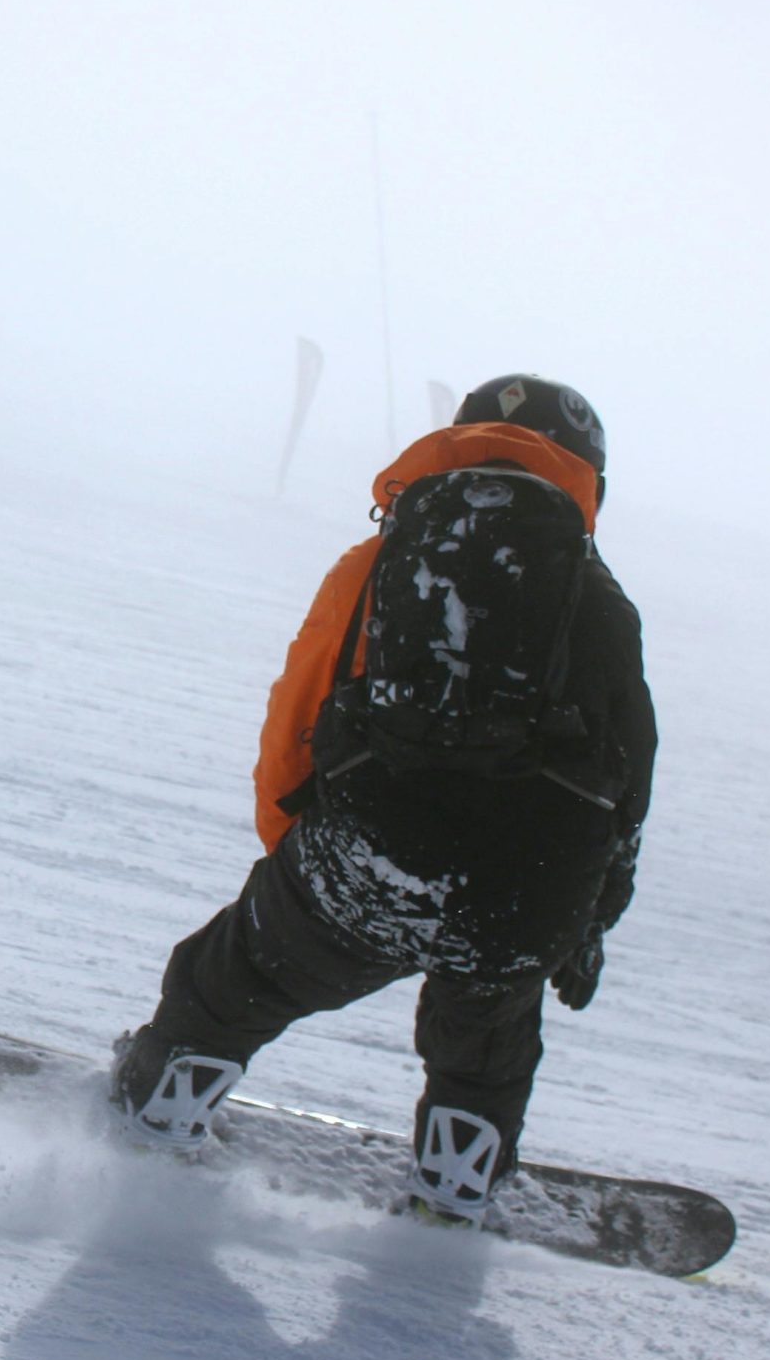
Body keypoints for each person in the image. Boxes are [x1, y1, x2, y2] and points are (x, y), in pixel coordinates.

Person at [109, 375, 656, 1225]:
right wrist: (584, 922)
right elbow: (626, 784)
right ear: (591, 479)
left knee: (241, 972)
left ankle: (169, 1093)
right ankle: (457, 1170)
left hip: (369, 855)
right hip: (526, 892)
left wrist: (297, 854)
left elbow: (298, 712)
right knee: (487, 1027)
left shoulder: (381, 561)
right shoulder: (603, 603)